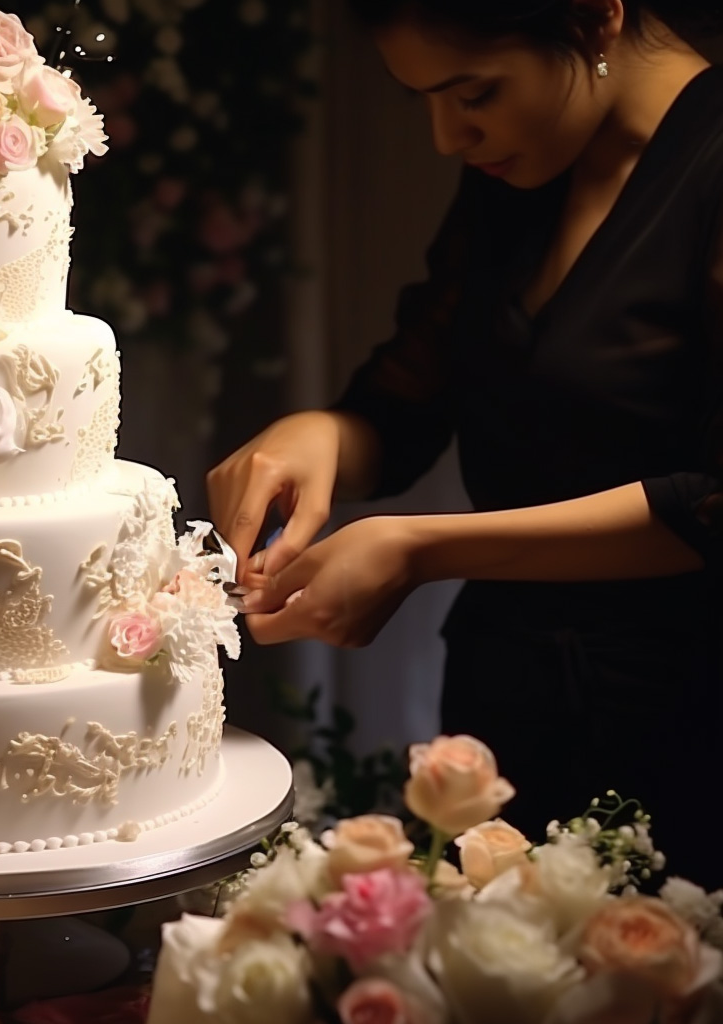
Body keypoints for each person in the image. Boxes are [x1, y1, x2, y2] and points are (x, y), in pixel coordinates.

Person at [207, 0, 723, 888]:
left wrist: (420, 548)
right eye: (425, 101)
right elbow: (409, 399)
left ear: (597, 18)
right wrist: (321, 434)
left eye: (474, 91)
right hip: (503, 707)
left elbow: (712, 504)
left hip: (687, 722)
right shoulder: (522, 163)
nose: (449, 135)